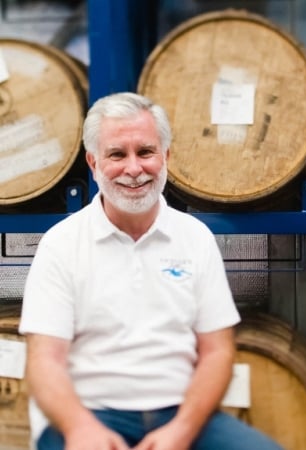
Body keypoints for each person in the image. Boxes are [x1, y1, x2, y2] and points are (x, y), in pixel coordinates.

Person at [19, 92, 284, 450]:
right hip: (91, 413)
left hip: (180, 413)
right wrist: (80, 427)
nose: (133, 169)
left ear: (166, 157)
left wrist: (182, 430)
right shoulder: (61, 245)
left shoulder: (195, 238)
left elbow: (218, 351)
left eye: (145, 152)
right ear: (93, 162)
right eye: (117, 154)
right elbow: (44, 359)